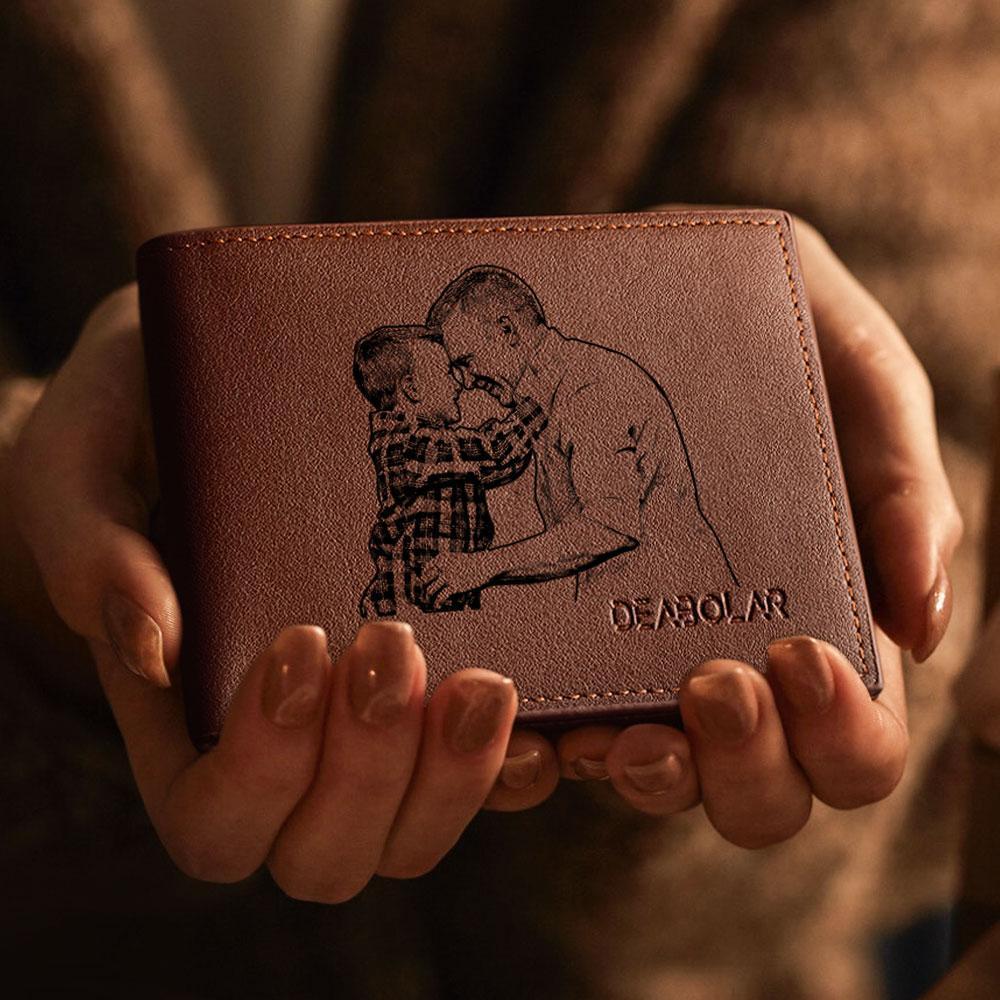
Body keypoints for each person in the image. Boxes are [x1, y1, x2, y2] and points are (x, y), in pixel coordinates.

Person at [420, 264, 739, 607]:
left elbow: (609, 527)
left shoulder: (590, 388)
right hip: (635, 606)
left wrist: (484, 566)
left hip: (675, 604)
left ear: (507, 330)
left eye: (467, 362)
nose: (467, 382)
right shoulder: (548, 394)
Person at [352, 323, 548, 616]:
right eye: (447, 372)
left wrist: (516, 409)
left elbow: (503, 466)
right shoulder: (407, 446)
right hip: (405, 609)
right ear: (412, 389)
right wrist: (541, 397)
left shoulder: (437, 451)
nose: (459, 384)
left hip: (439, 606)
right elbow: (496, 451)